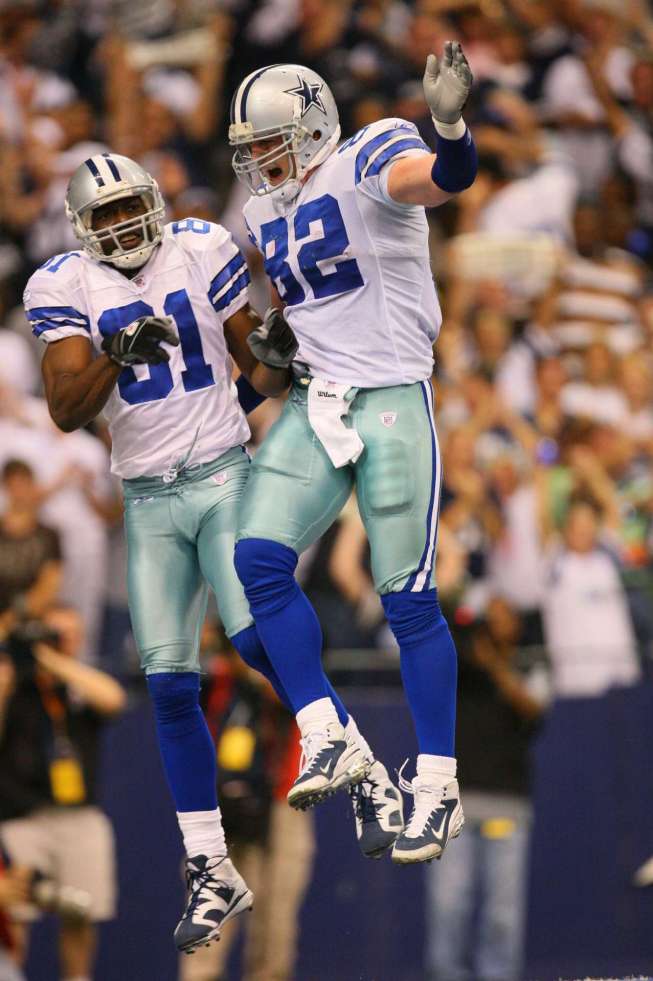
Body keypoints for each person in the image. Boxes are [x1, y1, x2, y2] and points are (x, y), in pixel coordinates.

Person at [23, 153, 398, 953]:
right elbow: (64, 408)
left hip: (223, 471)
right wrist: (115, 354)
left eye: (130, 206)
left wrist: (283, 343)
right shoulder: (63, 284)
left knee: (253, 638)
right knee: (168, 683)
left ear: (153, 202)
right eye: (105, 214)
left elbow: (256, 375)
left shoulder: (198, 247)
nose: (122, 224)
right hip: (145, 496)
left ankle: (353, 757)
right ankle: (210, 863)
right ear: (82, 228)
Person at [228, 41, 477, 862]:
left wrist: (447, 128)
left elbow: (435, 181)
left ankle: (437, 786)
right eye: (249, 147)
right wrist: (270, 353)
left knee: (407, 598)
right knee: (257, 560)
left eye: (270, 142)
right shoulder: (263, 211)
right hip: (316, 398)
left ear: (311, 128)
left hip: (392, 397)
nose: (259, 161)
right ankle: (326, 729)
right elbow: (303, 316)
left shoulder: (364, 155)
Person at [0, 605, 125, 981]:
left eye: (72, 634)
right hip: (22, 818)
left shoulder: (77, 685)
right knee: (13, 914)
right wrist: (16, 668)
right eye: (55, 633)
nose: (63, 640)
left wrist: (52, 660)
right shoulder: (16, 683)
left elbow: (113, 699)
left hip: (79, 818)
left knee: (81, 913)